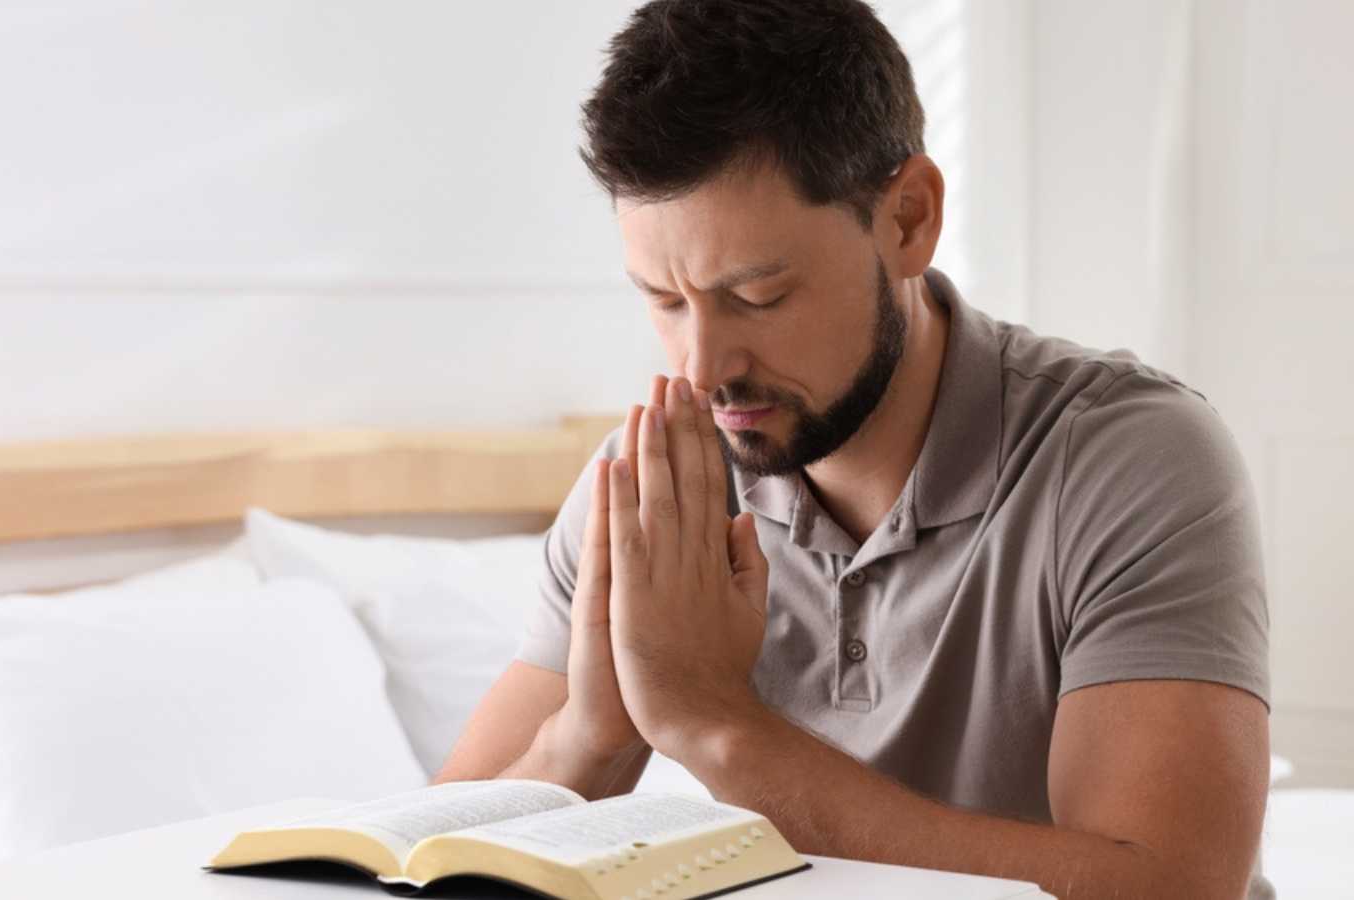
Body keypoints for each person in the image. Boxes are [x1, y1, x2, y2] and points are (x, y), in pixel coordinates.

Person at [438, 2, 1272, 898]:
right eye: (664, 301)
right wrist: (596, 733)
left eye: (757, 296)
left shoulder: (1128, 461)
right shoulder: (657, 491)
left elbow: (1172, 890)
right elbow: (420, 857)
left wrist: (712, 722)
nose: (704, 367)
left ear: (908, 219)